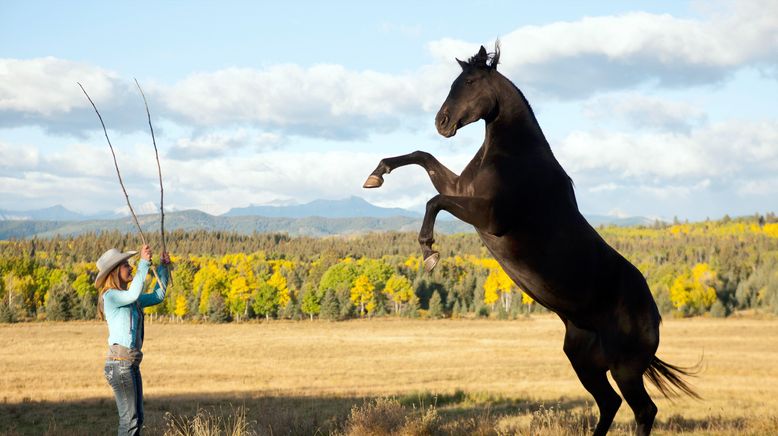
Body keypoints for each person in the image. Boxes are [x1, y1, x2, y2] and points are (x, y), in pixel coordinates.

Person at [95, 244, 170, 435]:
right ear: (114, 272)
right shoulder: (110, 296)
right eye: (126, 265)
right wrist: (144, 263)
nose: (130, 268)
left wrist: (163, 268)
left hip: (130, 364)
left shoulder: (129, 299)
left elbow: (158, 295)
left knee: (137, 419)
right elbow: (134, 293)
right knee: (130, 421)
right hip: (120, 365)